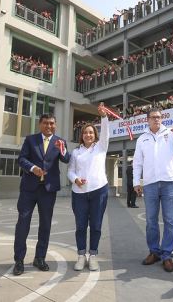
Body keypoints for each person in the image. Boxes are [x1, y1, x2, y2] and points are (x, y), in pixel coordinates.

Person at [133, 108, 173, 272]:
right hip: (150, 183)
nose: (157, 120)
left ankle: (167, 254)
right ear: (147, 120)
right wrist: (135, 182)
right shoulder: (142, 139)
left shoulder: (172, 133)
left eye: (159, 117)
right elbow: (137, 162)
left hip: (169, 182)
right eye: (153, 117)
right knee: (151, 221)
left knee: (170, 220)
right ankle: (154, 252)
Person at [13, 114, 70, 275]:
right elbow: (21, 159)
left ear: (55, 125)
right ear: (40, 124)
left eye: (52, 123)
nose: (49, 126)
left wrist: (63, 149)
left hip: (48, 190)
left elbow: (66, 159)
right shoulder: (31, 140)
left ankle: (40, 258)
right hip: (28, 189)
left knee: (45, 224)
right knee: (23, 223)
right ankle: (19, 260)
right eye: (45, 123)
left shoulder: (60, 142)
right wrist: (32, 168)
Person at [67, 104, 109, 271]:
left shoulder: (101, 147)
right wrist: (75, 179)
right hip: (79, 193)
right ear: (81, 136)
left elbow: (106, 133)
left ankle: (93, 256)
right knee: (81, 226)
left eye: (91, 132)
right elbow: (70, 171)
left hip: (99, 191)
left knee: (96, 225)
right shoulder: (76, 152)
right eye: (85, 132)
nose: (88, 135)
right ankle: (80, 255)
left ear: (95, 135)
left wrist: (104, 117)